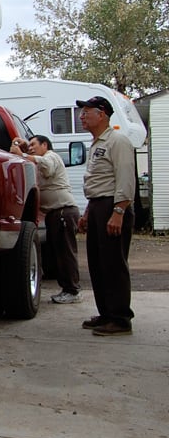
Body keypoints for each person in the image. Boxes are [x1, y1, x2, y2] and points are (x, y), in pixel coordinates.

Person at [75, 96, 136, 336]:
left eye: (86, 112)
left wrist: (118, 212)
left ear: (102, 114)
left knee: (113, 264)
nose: (82, 116)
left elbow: (125, 179)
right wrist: (88, 212)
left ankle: (121, 319)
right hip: (99, 206)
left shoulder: (117, 141)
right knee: (98, 265)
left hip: (114, 206)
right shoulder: (95, 143)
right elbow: (97, 182)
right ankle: (106, 314)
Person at [9, 133, 81, 303]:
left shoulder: (51, 157)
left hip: (63, 212)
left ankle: (72, 291)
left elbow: (47, 167)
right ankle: (68, 289)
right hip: (55, 214)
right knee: (59, 253)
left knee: (66, 253)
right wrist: (26, 149)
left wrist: (23, 155)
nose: (31, 147)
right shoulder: (37, 162)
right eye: (30, 144)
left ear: (45, 145)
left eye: (34, 144)